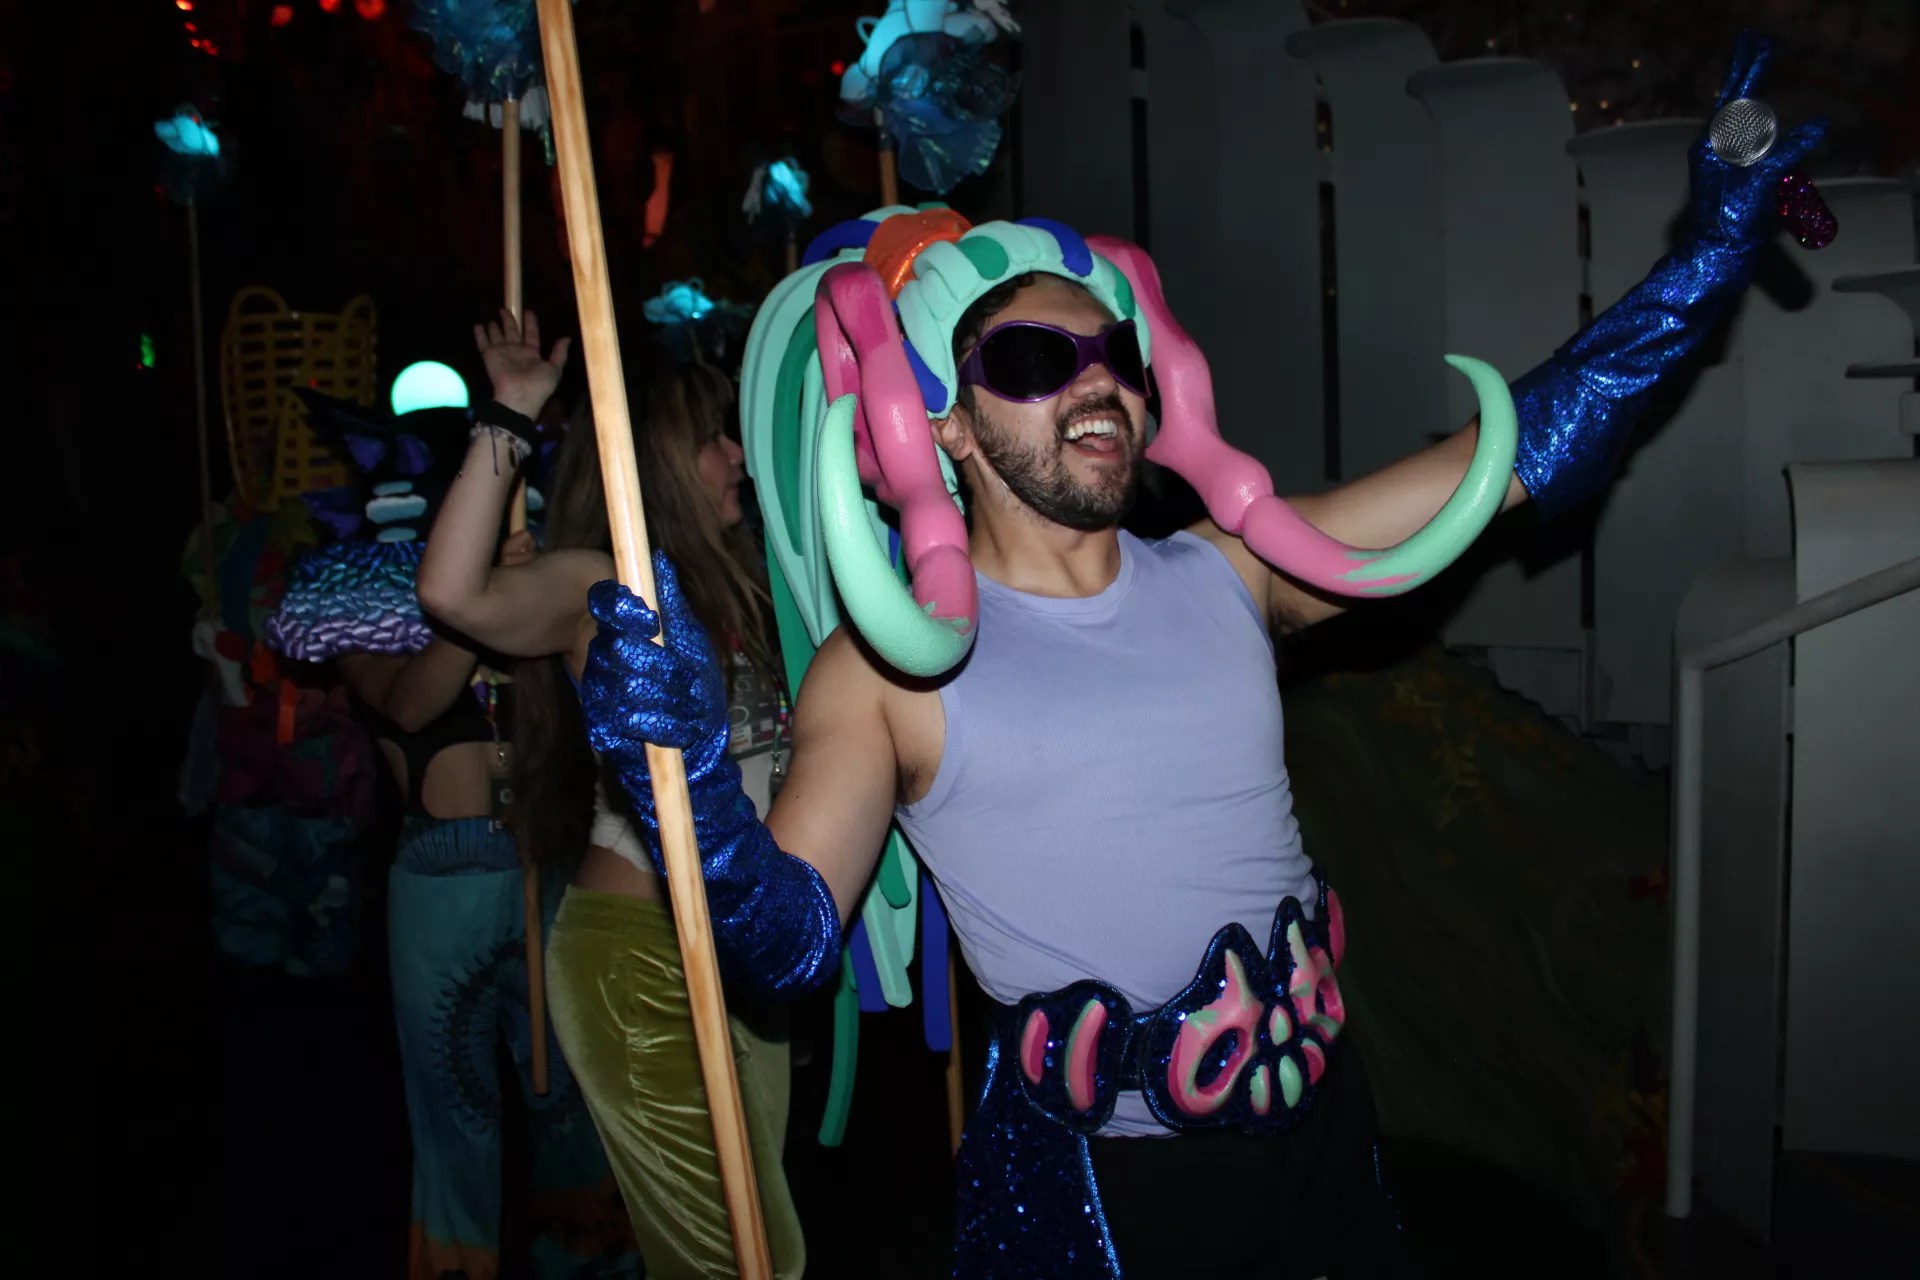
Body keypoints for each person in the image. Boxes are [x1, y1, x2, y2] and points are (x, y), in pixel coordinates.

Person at [571, 34, 1819, 1279]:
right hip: (1111, 1203)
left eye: (1114, 354)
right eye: (1033, 361)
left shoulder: (1235, 568)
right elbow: (787, 943)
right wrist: (690, 782)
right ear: (940, 423)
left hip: (1323, 1137)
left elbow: (1504, 465)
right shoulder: (888, 672)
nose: (1095, 384)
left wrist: (1701, 267)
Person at [414, 313, 806, 1280]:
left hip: (742, 949)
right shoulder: (609, 585)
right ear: (659, 461)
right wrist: (509, 416)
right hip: (641, 957)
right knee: (740, 1258)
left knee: (760, 1243)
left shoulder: (752, 584)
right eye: (712, 437)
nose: (736, 456)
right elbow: (453, 595)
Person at [267, 396, 639, 1280]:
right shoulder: (362, 601)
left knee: (572, 1102)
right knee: (454, 1113)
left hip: (547, 864)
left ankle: (587, 1261)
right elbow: (408, 704)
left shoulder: (530, 578)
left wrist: (517, 600)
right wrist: (475, 610)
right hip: (441, 883)